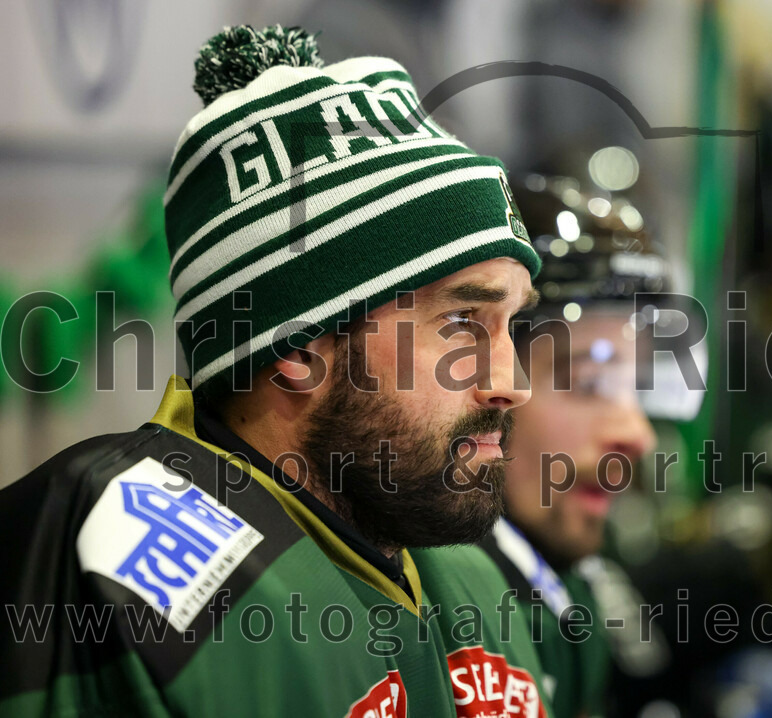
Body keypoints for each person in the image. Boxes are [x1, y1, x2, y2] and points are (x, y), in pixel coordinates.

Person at [0, 25, 551, 717]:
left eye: (513, 324)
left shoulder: (469, 571)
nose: (512, 381)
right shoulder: (120, 576)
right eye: (463, 324)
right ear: (295, 346)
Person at [477, 173, 671, 717]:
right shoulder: (452, 624)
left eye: (636, 385)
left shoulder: (564, 586)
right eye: (589, 384)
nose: (638, 434)